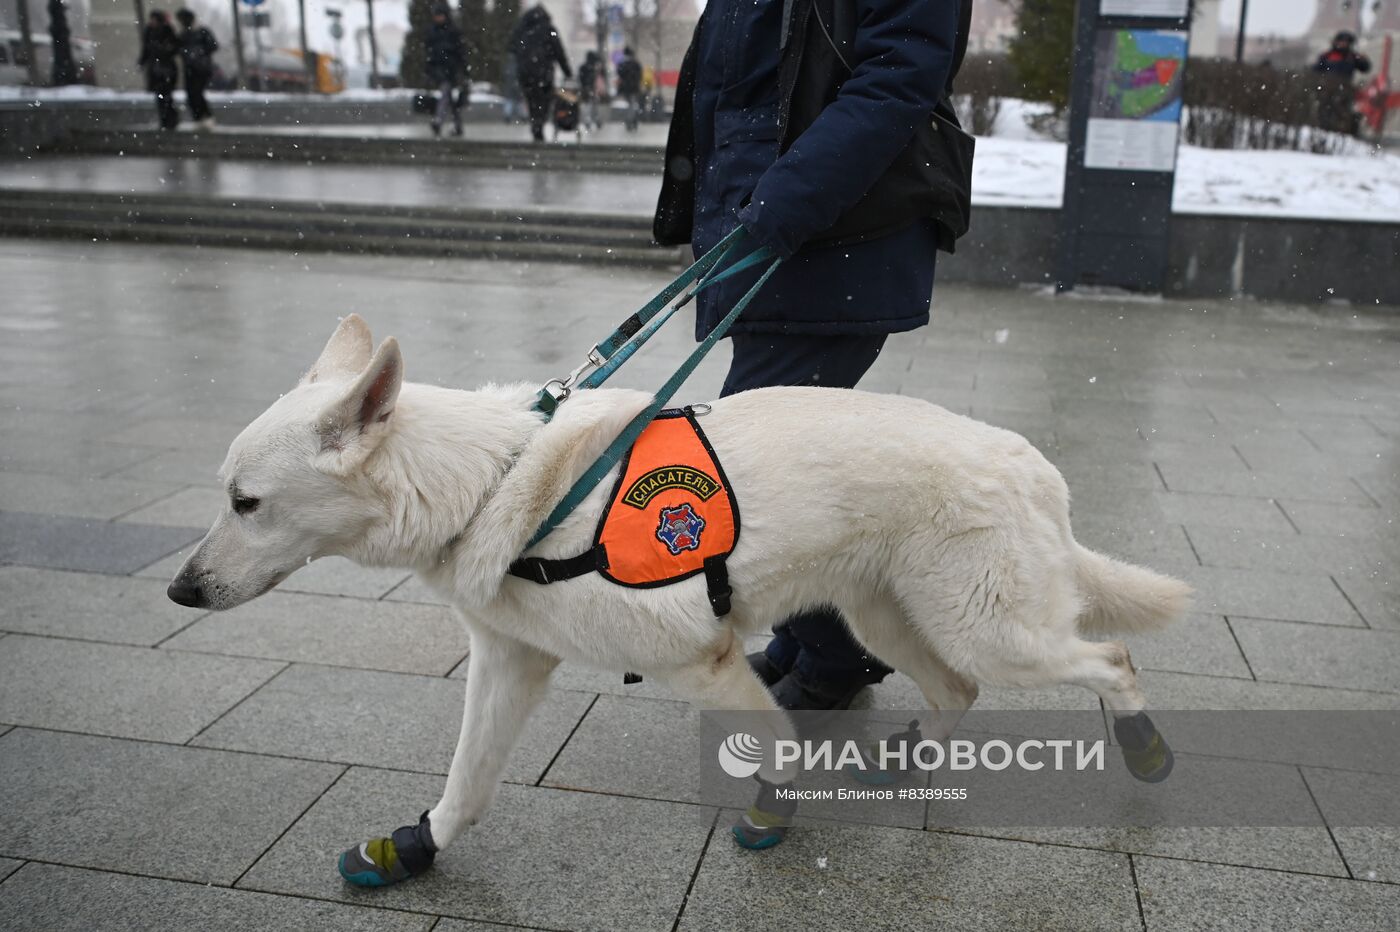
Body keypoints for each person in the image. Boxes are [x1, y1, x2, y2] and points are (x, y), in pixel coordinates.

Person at [654, 0, 969, 711]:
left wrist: (784, 199)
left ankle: (839, 654)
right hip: (777, 233)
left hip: (834, 236)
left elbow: (896, 79)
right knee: (782, 461)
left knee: (752, 472)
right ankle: (810, 641)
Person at [509, 5, 570, 142]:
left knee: (531, 99)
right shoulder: (549, 30)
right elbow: (559, 51)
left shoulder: (521, 30)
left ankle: (535, 123)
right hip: (544, 72)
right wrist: (567, 71)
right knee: (544, 99)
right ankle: (539, 122)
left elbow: (512, 47)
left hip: (525, 73)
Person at [1313, 30, 1372, 135]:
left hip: (1345, 91)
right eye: (1341, 41)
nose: (1343, 44)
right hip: (1327, 89)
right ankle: (1323, 132)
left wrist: (1364, 59)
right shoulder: (1327, 56)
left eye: (1346, 42)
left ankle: (1342, 132)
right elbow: (1315, 70)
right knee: (1324, 112)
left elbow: (1365, 68)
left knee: (1342, 113)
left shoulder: (1352, 57)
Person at [424, 2, 468, 137]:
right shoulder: (433, 31)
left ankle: (440, 120)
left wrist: (463, 70)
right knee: (448, 96)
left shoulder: (452, 31)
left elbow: (460, 51)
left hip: (450, 69)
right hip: (440, 69)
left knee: (447, 95)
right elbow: (429, 51)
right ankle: (454, 123)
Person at [138, 10, 181, 131]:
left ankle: (170, 119)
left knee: (166, 95)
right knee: (160, 96)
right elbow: (146, 49)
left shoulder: (167, 30)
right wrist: (142, 61)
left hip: (166, 69)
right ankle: (165, 120)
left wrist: (164, 51)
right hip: (155, 69)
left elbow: (175, 47)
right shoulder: (149, 31)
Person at [175, 9, 218, 129]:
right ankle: (199, 117)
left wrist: (198, 52)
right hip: (191, 69)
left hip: (201, 68)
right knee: (191, 93)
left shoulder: (201, 32)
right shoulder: (184, 34)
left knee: (197, 92)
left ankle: (205, 116)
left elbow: (213, 46)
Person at [48, 0, 76, 86]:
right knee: (62, 58)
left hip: (60, 34)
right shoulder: (55, 6)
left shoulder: (55, 6)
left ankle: (63, 77)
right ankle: (64, 77)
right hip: (60, 34)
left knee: (61, 58)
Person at [616, 46, 641, 132]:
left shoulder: (622, 64)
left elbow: (620, 74)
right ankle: (632, 121)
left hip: (626, 88)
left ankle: (629, 121)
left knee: (629, 105)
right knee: (632, 105)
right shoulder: (635, 63)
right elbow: (639, 76)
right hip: (633, 88)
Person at [578, 50, 605, 130]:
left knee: (588, 106)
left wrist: (584, 86)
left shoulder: (583, 67)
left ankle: (589, 121)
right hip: (592, 89)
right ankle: (595, 121)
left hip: (586, 89)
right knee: (593, 106)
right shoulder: (594, 67)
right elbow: (595, 79)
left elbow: (581, 78)